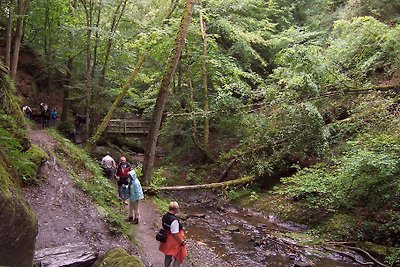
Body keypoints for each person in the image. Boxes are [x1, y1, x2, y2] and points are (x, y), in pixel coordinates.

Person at [159, 201, 187, 267]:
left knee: (168, 253)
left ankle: (166, 265)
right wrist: (182, 241)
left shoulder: (165, 216)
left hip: (166, 238)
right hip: (173, 240)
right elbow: (175, 234)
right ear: (175, 209)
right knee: (180, 254)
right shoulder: (174, 220)